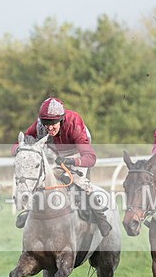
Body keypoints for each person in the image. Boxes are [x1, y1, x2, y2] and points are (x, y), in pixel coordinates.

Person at [11, 97, 112, 236]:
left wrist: (71, 162)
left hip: (77, 152)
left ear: (62, 119)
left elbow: (91, 158)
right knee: (43, 177)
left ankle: (101, 217)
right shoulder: (40, 124)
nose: (49, 127)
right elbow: (20, 143)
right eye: (46, 123)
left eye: (53, 123)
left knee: (77, 180)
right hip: (55, 153)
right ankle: (30, 211)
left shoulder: (74, 122)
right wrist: (18, 150)